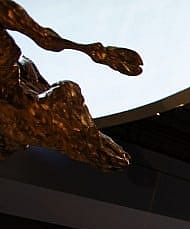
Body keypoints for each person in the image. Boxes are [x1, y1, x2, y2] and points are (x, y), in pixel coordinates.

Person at [0, 0, 142, 168]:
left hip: (19, 82)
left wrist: (95, 52)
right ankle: (93, 146)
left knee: (62, 98)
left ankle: (93, 145)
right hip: (12, 100)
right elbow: (44, 38)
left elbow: (44, 37)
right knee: (52, 107)